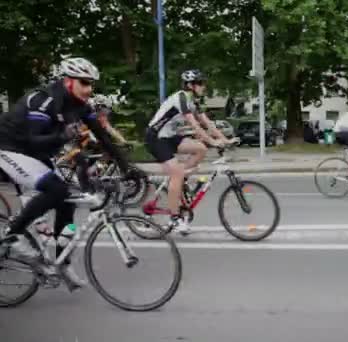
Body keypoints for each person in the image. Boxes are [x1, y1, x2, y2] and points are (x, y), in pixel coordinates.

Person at [0, 57, 135, 288]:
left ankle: (62, 263)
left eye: (92, 84)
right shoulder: (44, 100)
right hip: (10, 148)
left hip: (35, 153)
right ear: (68, 81)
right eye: (84, 82)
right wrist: (62, 137)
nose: (89, 89)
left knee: (68, 201)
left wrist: (129, 168)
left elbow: (102, 137)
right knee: (56, 189)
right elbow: (34, 141)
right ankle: (12, 234)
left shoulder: (80, 106)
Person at [145, 69, 236, 235]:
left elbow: (207, 123)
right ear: (190, 85)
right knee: (177, 173)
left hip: (170, 137)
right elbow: (195, 125)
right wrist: (213, 142)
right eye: (200, 83)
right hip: (156, 137)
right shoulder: (181, 98)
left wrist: (225, 139)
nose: (203, 87)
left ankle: (181, 180)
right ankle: (174, 217)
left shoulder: (194, 101)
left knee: (200, 149)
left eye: (203, 83)